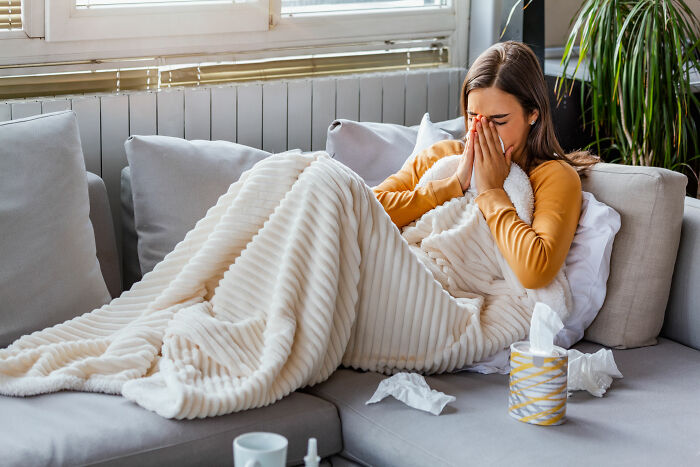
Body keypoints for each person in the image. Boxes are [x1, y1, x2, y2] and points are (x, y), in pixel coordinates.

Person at [373, 41, 600, 290]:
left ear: (532, 114)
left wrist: (492, 191)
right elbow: (365, 208)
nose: (481, 131)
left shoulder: (553, 176)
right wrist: (454, 184)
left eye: (498, 121)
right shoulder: (442, 155)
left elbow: (535, 272)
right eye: (473, 118)